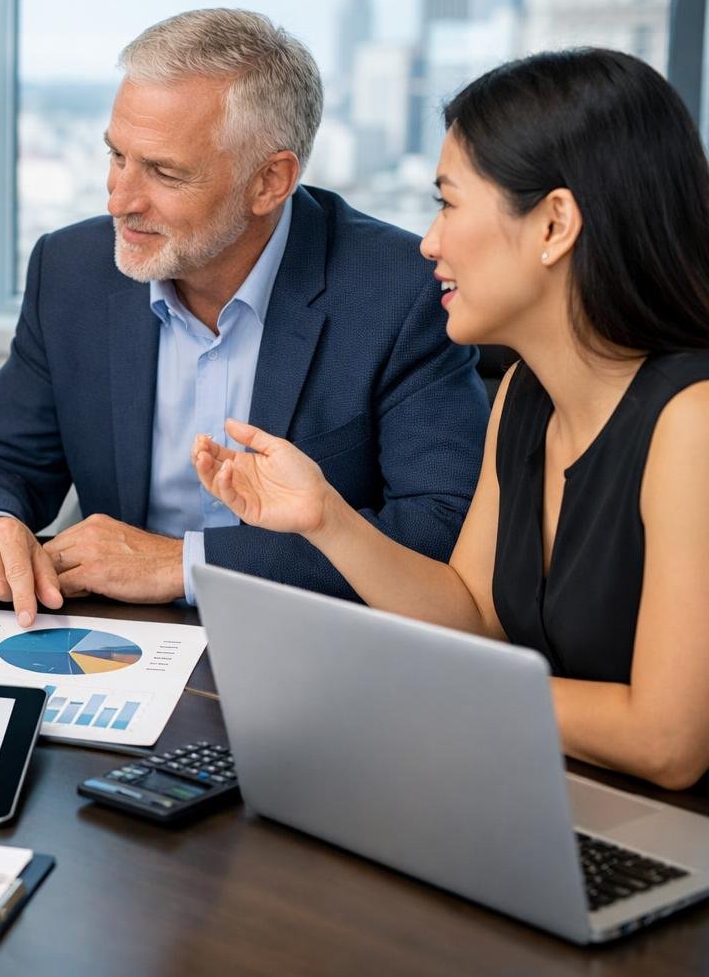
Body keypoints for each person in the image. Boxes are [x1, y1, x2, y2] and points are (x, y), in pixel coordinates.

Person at [194, 48, 709, 790]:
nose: (429, 242)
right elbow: (471, 617)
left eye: (448, 203)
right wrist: (326, 519)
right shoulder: (525, 396)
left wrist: (427, 688)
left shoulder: (691, 421)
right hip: (551, 790)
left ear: (554, 223)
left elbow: (666, 738)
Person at [0, 9, 488, 624]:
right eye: (117, 156)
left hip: (315, 642)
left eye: (163, 171)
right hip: (119, 639)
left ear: (270, 181)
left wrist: (185, 564)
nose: (119, 200)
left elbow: (439, 529)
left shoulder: (398, 288)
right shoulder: (73, 268)